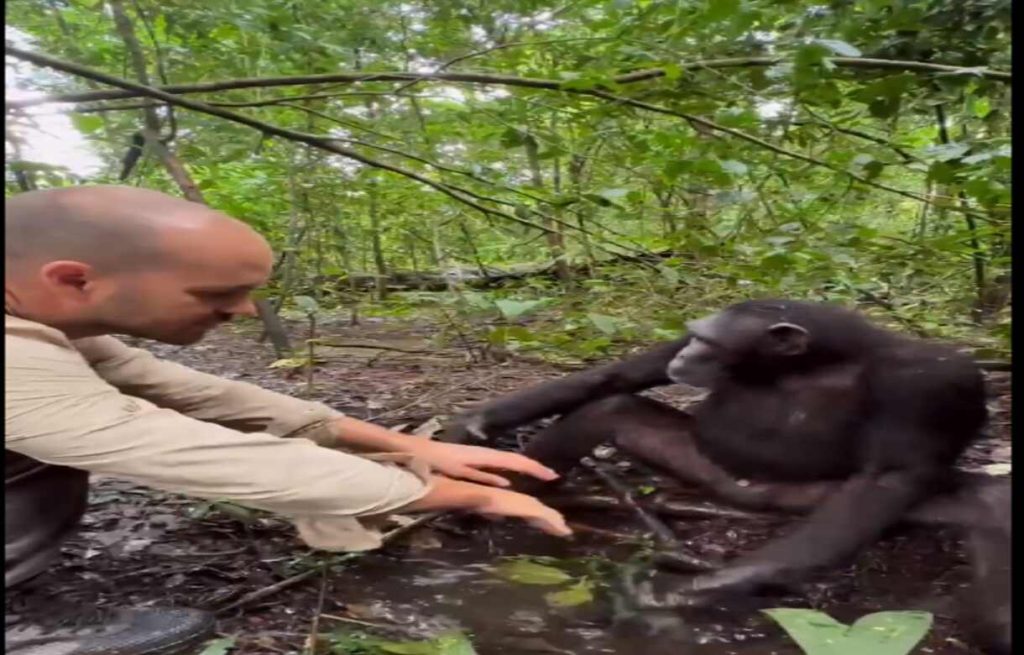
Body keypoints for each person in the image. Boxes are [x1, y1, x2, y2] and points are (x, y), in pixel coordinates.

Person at [4, 186, 572, 655]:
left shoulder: (45, 325)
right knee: (45, 443)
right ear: (73, 280)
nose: (244, 310)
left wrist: (403, 444)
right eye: (218, 293)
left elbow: (191, 393)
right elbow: (166, 445)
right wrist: (455, 494)